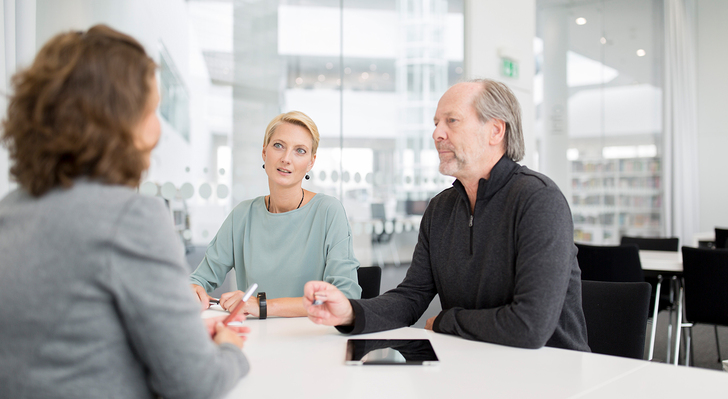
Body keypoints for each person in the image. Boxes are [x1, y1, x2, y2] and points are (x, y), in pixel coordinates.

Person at [0, 25, 249, 399]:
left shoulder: (12, 210)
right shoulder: (132, 218)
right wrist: (230, 347)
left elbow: (74, 346)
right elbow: (197, 385)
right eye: (151, 111)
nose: (158, 131)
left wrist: (180, 340)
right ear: (117, 121)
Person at [304, 79, 590, 351]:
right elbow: (411, 297)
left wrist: (446, 320)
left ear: (495, 131)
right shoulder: (441, 208)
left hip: (550, 372)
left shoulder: (539, 200)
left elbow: (530, 326)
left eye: (451, 121)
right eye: (436, 123)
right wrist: (350, 312)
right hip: (472, 363)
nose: (437, 134)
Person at [190, 111, 361, 318]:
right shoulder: (243, 215)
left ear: (311, 162)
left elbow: (345, 296)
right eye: (278, 146)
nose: (286, 159)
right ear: (264, 152)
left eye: (299, 150)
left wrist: (263, 306)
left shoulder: (328, 211)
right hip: (256, 338)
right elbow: (199, 279)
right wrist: (193, 288)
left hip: (311, 339)